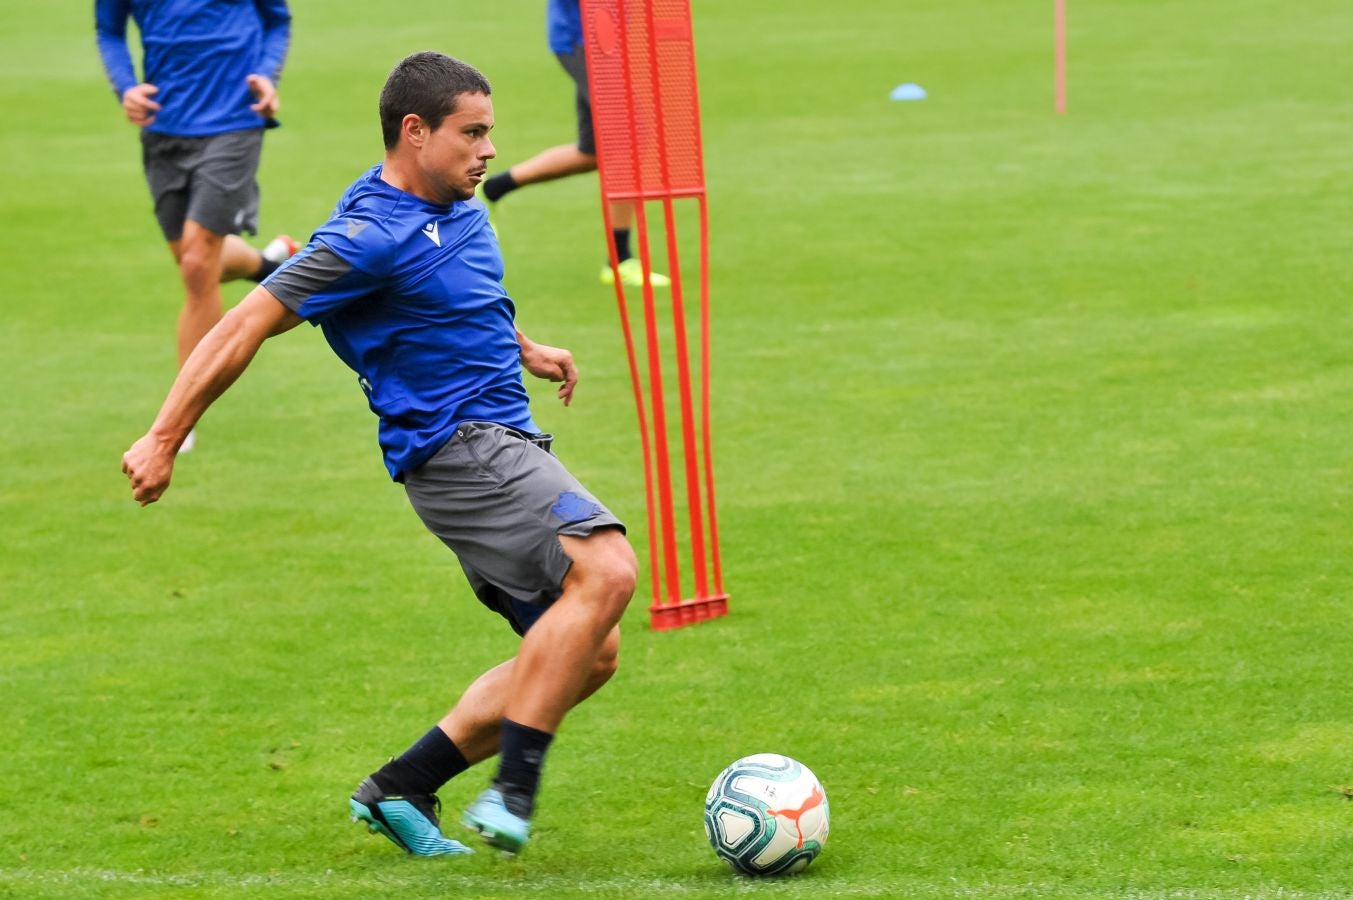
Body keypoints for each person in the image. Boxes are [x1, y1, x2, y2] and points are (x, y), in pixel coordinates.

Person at [121, 51, 638, 858]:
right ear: (414, 131)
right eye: (472, 134)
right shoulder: (365, 237)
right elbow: (242, 323)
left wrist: (524, 344)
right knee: (606, 569)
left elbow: (459, 291)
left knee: (587, 653)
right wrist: (161, 436)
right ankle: (514, 793)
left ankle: (403, 786)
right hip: (459, 449)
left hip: (501, 435)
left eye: (489, 133)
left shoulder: (453, 197)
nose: (489, 151)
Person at [96, 0, 299, 451]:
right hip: (163, 127)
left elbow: (277, 18)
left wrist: (268, 74)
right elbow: (108, 30)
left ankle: (179, 420)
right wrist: (126, 87)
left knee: (195, 263)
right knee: (196, 261)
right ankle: (267, 264)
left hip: (234, 122)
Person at [479, 0, 670, 289]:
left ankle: (495, 188)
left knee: (594, 152)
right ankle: (620, 261)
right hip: (585, 39)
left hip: (605, 38)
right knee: (628, 140)